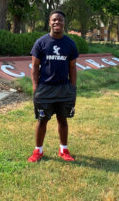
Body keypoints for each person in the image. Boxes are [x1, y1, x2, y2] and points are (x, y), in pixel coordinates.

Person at [27, 10, 79, 162]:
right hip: (45, 88)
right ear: (50, 22)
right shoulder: (41, 43)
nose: (57, 22)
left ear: (64, 23)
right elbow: (35, 67)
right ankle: (38, 151)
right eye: (54, 20)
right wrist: (35, 88)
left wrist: (72, 88)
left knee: (63, 119)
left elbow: (72, 68)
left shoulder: (70, 44)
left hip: (64, 88)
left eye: (60, 20)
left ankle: (63, 149)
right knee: (42, 120)